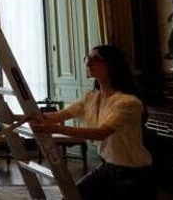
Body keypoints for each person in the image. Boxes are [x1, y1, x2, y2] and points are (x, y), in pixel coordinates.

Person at [29, 45, 154, 199]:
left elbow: (100, 133)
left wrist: (54, 129)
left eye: (96, 59)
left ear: (113, 65)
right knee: (71, 197)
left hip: (134, 174)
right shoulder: (92, 97)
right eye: (87, 59)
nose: (88, 63)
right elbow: (57, 115)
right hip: (108, 167)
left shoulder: (128, 102)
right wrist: (17, 117)